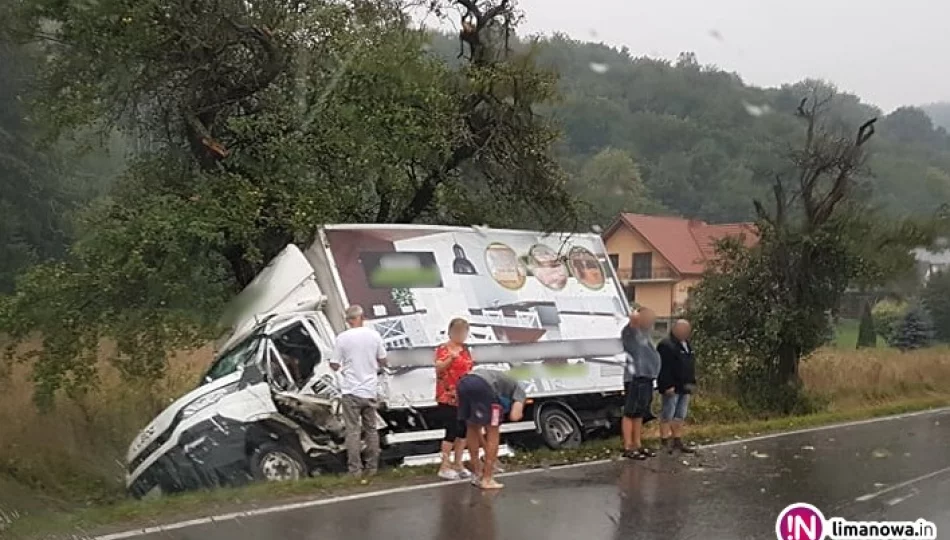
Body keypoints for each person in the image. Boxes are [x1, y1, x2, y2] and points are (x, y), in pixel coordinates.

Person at [330, 305, 387, 477]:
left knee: (353, 431)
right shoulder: (374, 335)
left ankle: (355, 470)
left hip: (351, 390)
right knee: (371, 429)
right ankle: (372, 468)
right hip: (369, 390)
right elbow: (383, 360)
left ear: (348, 320)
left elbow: (334, 364)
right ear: (361, 317)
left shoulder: (342, 338)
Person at [456, 369, 527, 490]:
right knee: (493, 431)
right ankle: (487, 478)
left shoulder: (501, 377)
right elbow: (515, 416)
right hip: (484, 387)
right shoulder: (519, 390)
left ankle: (477, 474)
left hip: (464, 382)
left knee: (472, 426)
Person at [434, 318, 475, 480]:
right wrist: (451, 358)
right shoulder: (443, 349)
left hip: (464, 396)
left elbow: (469, 368)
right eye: (458, 332)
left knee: (463, 431)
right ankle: (444, 465)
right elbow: (438, 368)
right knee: (451, 430)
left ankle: (459, 463)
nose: (461, 335)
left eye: (464, 332)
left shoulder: (465, 350)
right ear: (451, 332)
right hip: (448, 395)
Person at [620, 307, 661, 460]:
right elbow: (632, 321)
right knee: (630, 412)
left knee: (640, 412)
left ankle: (637, 444)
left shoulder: (646, 334)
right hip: (635, 377)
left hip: (647, 377)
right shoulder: (631, 332)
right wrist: (635, 317)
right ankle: (628, 446)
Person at [656, 319, 697, 454]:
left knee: (680, 414)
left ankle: (677, 440)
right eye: (682, 329)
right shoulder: (666, 345)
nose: (685, 332)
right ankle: (664, 441)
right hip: (671, 386)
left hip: (684, 385)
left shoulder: (687, 345)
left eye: (687, 330)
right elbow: (663, 367)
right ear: (675, 329)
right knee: (667, 414)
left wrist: (692, 382)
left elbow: (689, 365)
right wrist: (667, 385)